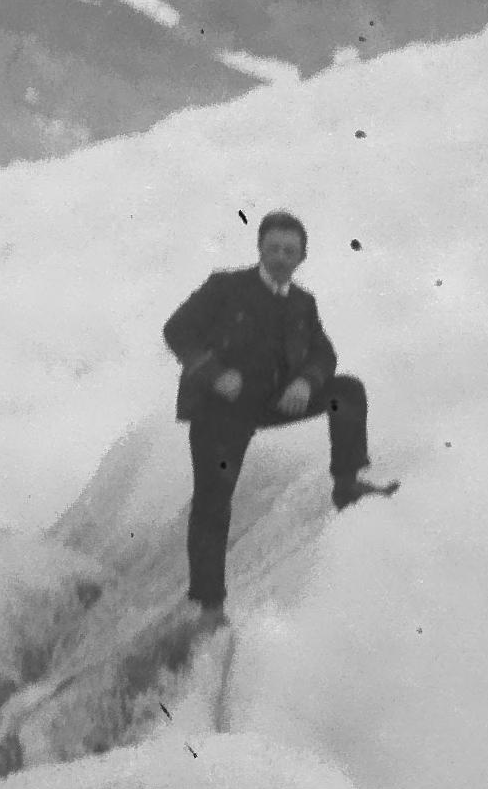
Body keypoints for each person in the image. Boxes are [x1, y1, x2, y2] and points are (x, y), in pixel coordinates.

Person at [162, 213, 389, 611]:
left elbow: (324, 354)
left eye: (289, 251)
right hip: (220, 409)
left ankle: (346, 484)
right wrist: (214, 374)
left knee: (347, 392)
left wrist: (305, 383)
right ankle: (209, 609)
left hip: (272, 403)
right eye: (274, 249)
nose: (281, 257)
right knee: (213, 503)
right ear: (260, 250)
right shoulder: (225, 287)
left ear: (302, 258)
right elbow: (176, 330)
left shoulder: (303, 303)